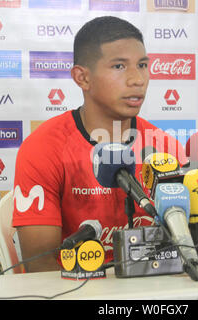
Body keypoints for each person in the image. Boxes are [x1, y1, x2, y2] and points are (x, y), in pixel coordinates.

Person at [12, 16, 187, 272]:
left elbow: (188, 247)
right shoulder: (43, 148)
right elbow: (41, 264)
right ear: (82, 77)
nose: (137, 79)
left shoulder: (165, 147)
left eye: (142, 65)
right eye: (119, 66)